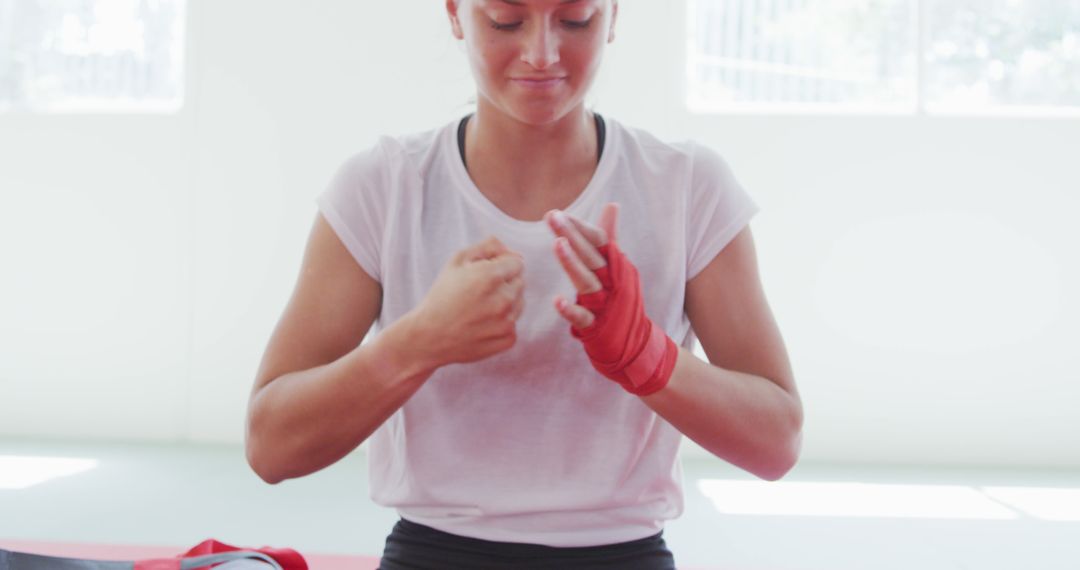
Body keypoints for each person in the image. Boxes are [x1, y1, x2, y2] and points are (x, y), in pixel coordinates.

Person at [244, 0, 803, 568]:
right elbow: (271, 447)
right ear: (456, 14)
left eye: (576, 20)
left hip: (622, 553)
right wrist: (416, 345)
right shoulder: (383, 187)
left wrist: (647, 355)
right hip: (433, 551)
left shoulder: (686, 187)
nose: (542, 54)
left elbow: (776, 444)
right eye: (506, 20)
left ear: (613, 14)